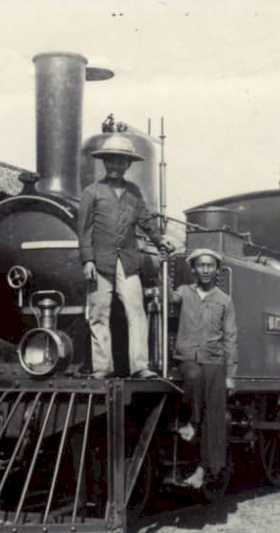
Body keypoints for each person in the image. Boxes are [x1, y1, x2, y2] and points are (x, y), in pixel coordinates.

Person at [78, 135, 174, 379]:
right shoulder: (92, 192)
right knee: (99, 313)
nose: (115, 166)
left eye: (121, 162)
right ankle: (103, 367)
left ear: (128, 165)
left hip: (129, 263)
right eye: (111, 161)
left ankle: (140, 366)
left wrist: (160, 240)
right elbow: (85, 229)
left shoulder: (134, 192)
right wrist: (88, 260)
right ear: (104, 162)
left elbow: (146, 221)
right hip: (100, 262)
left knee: (136, 311)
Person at [168, 248, 238, 490]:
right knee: (193, 376)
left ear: (217, 270)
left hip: (215, 360)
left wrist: (230, 375)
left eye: (210, 265)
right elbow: (169, 298)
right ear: (194, 269)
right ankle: (193, 424)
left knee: (215, 418)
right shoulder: (184, 292)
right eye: (201, 265)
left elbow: (230, 338)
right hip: (188, 356)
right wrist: (162, 269)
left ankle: (202, 469)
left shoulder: (224, 300)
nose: (205, 270)